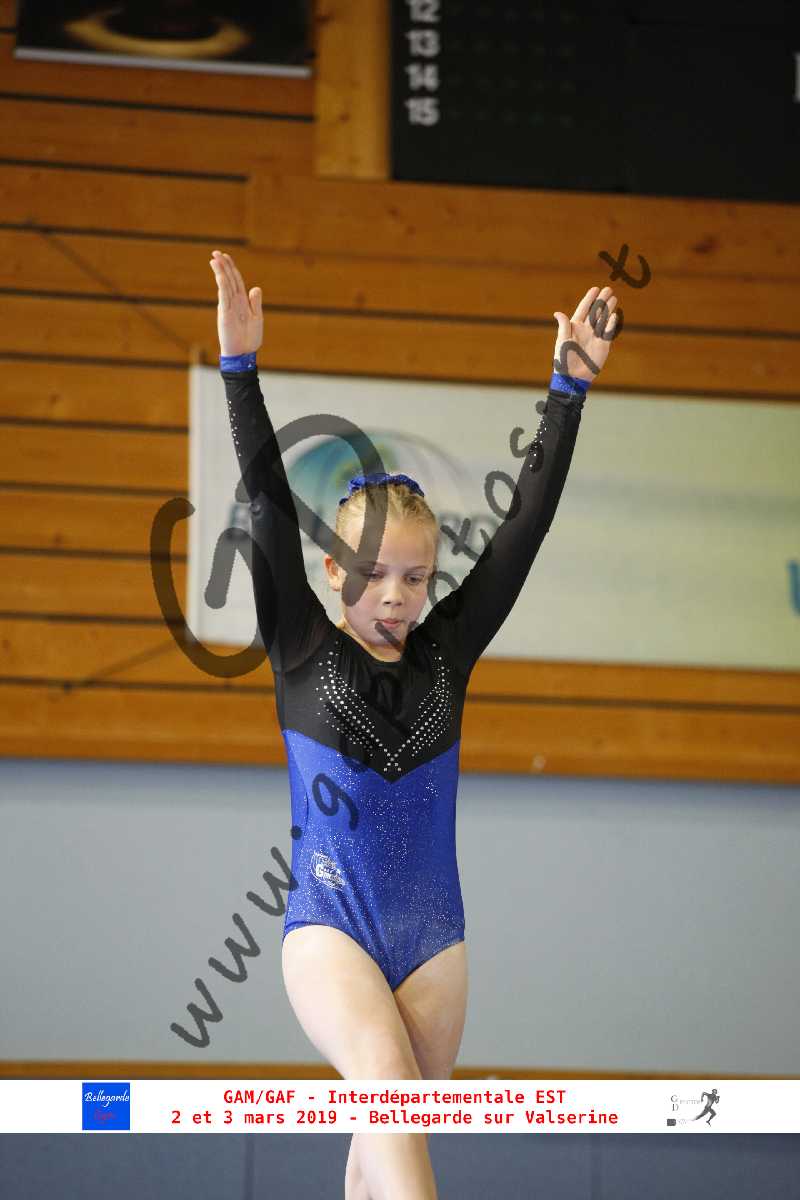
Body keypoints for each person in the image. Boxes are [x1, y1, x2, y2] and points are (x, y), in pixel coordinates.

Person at [210, 249, 618, 1199]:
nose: (394, 596)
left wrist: (568, 391)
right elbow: (266, 503)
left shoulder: (447, 654)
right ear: (331, 573)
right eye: (373, 575)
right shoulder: (301, 646)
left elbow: (523, 529)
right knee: (389, 1097)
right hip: (331, 929)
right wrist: (239, 369)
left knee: (383, 1144)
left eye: (415, 578)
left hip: (436, 942)